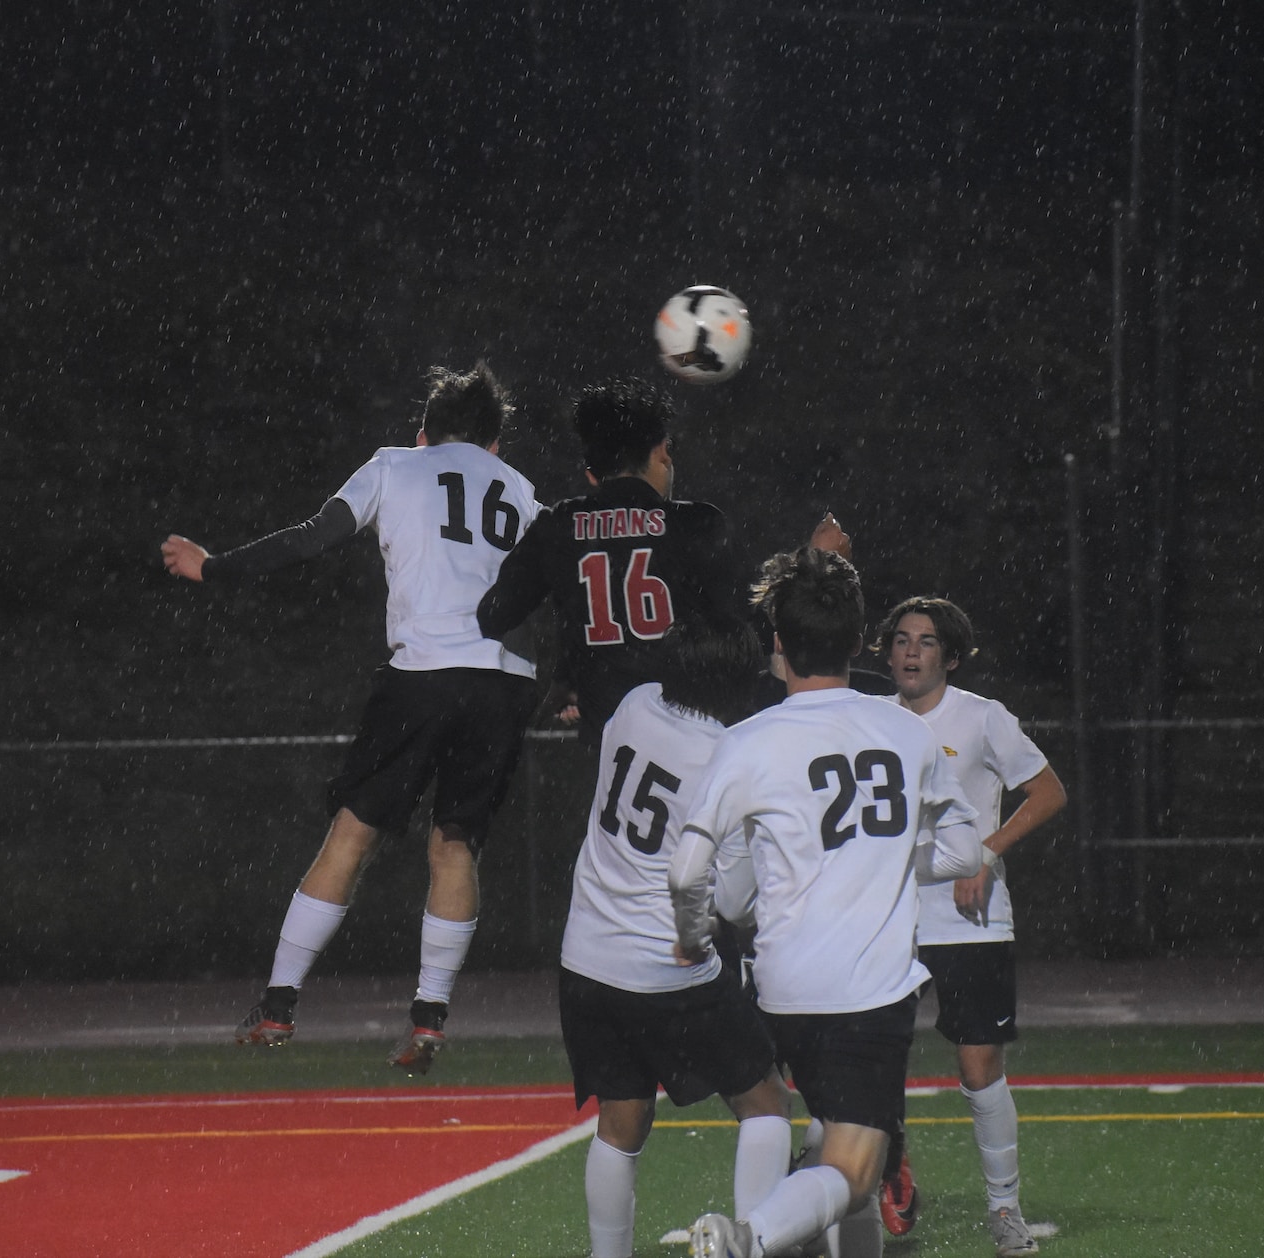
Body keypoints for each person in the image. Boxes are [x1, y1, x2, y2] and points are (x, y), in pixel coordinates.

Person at [160, 362, 542, 1075]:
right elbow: (560, 582)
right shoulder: (522, 491)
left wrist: (216, 568)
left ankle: (279, 1006)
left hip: (425, 671)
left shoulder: (398, 464)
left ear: (424, 433)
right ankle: (428, 1020)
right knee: (455, 847)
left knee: (353, 833)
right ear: (494, 444)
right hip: (503, 683)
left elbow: (313, 536)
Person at [667, 546, 984, 1258]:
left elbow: (689, 871)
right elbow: (966, 854)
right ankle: (747, 1240)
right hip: (867, 992)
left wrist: (694, 937)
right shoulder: (907, 729)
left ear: (777, 646)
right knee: (853, 1164)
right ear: (859, 641)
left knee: (846, 1168)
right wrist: (901, 855)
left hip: (781, 991)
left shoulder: (747, 741)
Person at [558, 617, 791, 1258]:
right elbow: (735, 902)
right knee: (765, 1104)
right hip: (665, 967)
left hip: (585, 957)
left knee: (621, 1123)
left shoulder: (634, 706)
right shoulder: (729, 755)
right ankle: (753, 1244)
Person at [475, 377, 849, 743]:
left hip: (608, 746)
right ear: (661, 452)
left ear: (593, 474)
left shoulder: (558, 526)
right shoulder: (697, 524)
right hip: (686, 739)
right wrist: (817, 562)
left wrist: (570, 668)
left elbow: (495, 613)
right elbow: (753, 637)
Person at [874, 596, 1068, 1257]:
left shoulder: (984, 719)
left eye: (924, 642)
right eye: (900, 639)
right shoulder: (871, 720)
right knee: (870, 1062)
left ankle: (1004, 1207)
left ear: (949, 658)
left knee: (979, 1065)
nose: (908, 651)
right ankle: (880, 1182)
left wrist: (984, 852)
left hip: (968, 921)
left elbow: (1048, 792)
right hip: (886, 919)